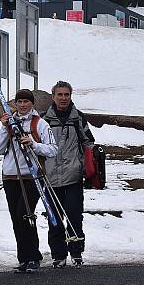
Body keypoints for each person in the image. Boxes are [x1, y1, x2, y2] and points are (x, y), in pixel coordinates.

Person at [0, 89, 57, 273]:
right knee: (16, 217)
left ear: (32, 103)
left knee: (25, 214)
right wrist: (5, 128)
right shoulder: (10, 122)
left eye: (26, 102)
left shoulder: (40, 124)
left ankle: (33, 257)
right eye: (19, 102)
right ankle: (23, 258)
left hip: (32, 175)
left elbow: (53, 149)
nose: (22, 105)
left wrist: (34, 144)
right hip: (11, 175)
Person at [43, 80, 94, 268]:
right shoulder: (44, 120)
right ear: (53, 96)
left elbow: (89, 143)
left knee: (74, 216)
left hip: (73, 176)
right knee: (54, 219)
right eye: (60, 95)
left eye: (67, 95)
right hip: (50, 178)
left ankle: (76, 252)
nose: (63, 98)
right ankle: (58, 255)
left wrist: (86, 166)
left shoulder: (77, 118)